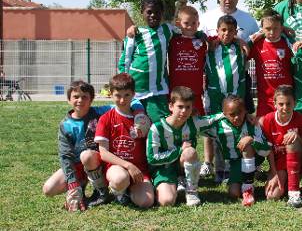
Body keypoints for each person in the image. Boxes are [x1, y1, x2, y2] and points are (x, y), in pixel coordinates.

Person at [42, 80, 148, 211]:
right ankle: (81, 185)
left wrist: (138, 114)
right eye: (76, 97)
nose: (80, 100)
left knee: (87, 155)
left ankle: (101, 192)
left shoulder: (100, 112)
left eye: (85, 97)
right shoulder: (65, 125)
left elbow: (132, 101)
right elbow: (65, 157)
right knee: (48, 189)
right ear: (69, 99)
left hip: (98, 161)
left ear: (91, 100)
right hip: (77, 165)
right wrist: (72, 185)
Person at [146, 86, 224, 206]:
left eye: (188, 107)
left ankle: (191, 191)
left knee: (190, 152)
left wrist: (233, 113)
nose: (184, 111)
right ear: (171, 106)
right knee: (166, 201)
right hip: (164, 169)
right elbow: (152, 158)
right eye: (180, 107)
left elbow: (212, 119)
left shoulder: (193, 123)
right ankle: (166, 184)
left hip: (182, 165)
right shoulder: (157, 128)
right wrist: (179, 150)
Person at [94, 73, 154, 208]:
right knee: (120, 178)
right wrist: (128, 165)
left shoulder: (141, 119)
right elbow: (103, 153)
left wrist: (147, 128)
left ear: (133, 94)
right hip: (117, 168)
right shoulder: (105, 118)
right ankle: (118, 191)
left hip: (139, 170)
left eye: (126, 95)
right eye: (118, 96)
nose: (122, 100)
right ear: (111, 94)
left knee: (146, 202)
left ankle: (128, 190)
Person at [119, 0, 179, 123]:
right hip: (136, 89)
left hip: (158, 89)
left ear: (162, 13)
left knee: (161, 123)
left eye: (157, 12)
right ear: (142, 13)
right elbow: (125, 58)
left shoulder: (167, 29)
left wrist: (199, 34)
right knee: (138, 125)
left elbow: (185, 31)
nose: (153, 15)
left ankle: (161, 143)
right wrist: (122, 79)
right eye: (149, 12)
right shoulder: (136, 33)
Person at [204, 15, 249, 182]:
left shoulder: (240, 48)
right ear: (217, 31)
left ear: (236, 32)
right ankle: (219, 170)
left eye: (231, 30)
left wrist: (241, 41)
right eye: (223, 30)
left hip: (235, 99)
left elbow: (257, 37)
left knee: (235, 133)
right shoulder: (210, 47)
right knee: (219, 133)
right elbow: (198, 37)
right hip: (216, 98)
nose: (227, 33)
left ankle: (235, 169)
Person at [207, 95, 271, 206]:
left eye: (239, 112)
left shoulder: (252, 124)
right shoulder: (218, 126)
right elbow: (198, 125)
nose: (236, 117)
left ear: (245, 111)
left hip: (255, 157)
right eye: (232, 114)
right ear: (224, 114)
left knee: (247, 144)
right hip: (235, 162)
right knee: (234, 193)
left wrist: (252, 139)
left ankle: (248, 189)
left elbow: (266, 149)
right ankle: (247, 174)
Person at [259, 85, 302, 208]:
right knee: (272, 196)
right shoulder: (269, 119)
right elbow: (269, 149)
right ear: (274, 103)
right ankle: (286, 180)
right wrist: (274, 172)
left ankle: (294, 193)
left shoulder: (300, 119)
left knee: (291, 139)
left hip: (297, 160)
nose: (285, 108)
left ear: (295, 103)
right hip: (278, 163)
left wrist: (297, 137)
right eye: (281, 104)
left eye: (288, 104)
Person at [248, 10, 294, 118]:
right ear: (262, 29)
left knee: (285, 127)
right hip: (265, 97)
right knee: (263, 127)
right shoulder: (257, 45)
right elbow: (242, 52)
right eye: (268, 29)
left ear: (281, 28)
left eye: (276, 28)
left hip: (285, 97)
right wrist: (251, 39)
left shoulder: (287, 43)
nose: (272, 32)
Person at [167, 5, 208, 115]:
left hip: (196, 93)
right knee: (176, 124)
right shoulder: (172, 40)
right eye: (186, 23)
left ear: (198, 24)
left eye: (194, 23)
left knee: (198, 125)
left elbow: (219, 40)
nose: (190, 27)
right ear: (178, 23)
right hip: (176, 93)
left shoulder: (202, 41)